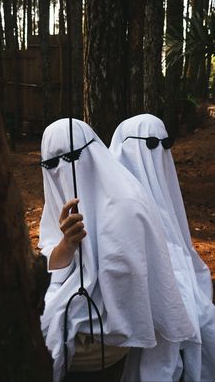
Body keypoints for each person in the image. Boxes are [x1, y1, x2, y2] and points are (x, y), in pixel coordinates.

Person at [39, 118, 197, 382]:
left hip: (108, 336)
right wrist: (66, 245)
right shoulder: (60, 195)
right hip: (73, 321)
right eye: (51, 164)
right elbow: (50, 260)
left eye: (74, 156)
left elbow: (126, 299)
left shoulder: (127, 207)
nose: (64, 170)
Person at [110, 113, 215, 382]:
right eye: (151, 145)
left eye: (164, 144)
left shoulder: (162, 189)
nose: (158, 153)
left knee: (202, 316)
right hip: (130, 312)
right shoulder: (116, 205)